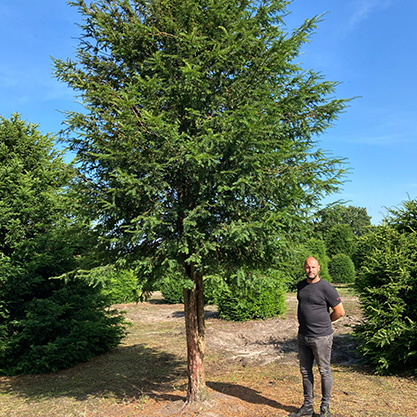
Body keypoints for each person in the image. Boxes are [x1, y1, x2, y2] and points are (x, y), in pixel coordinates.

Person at [289, 257, 345, 417]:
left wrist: (325, 322)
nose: (310, 270)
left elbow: (340, 311)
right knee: (305, 371)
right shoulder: (301, 286)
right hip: (303, 336)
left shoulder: (326, 288)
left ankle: (324, 409)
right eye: (307, 267)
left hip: (322, 338)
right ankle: (307, 407)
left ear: (318, 268)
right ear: (304, 268)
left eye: (313, 267)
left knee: (324, 371)